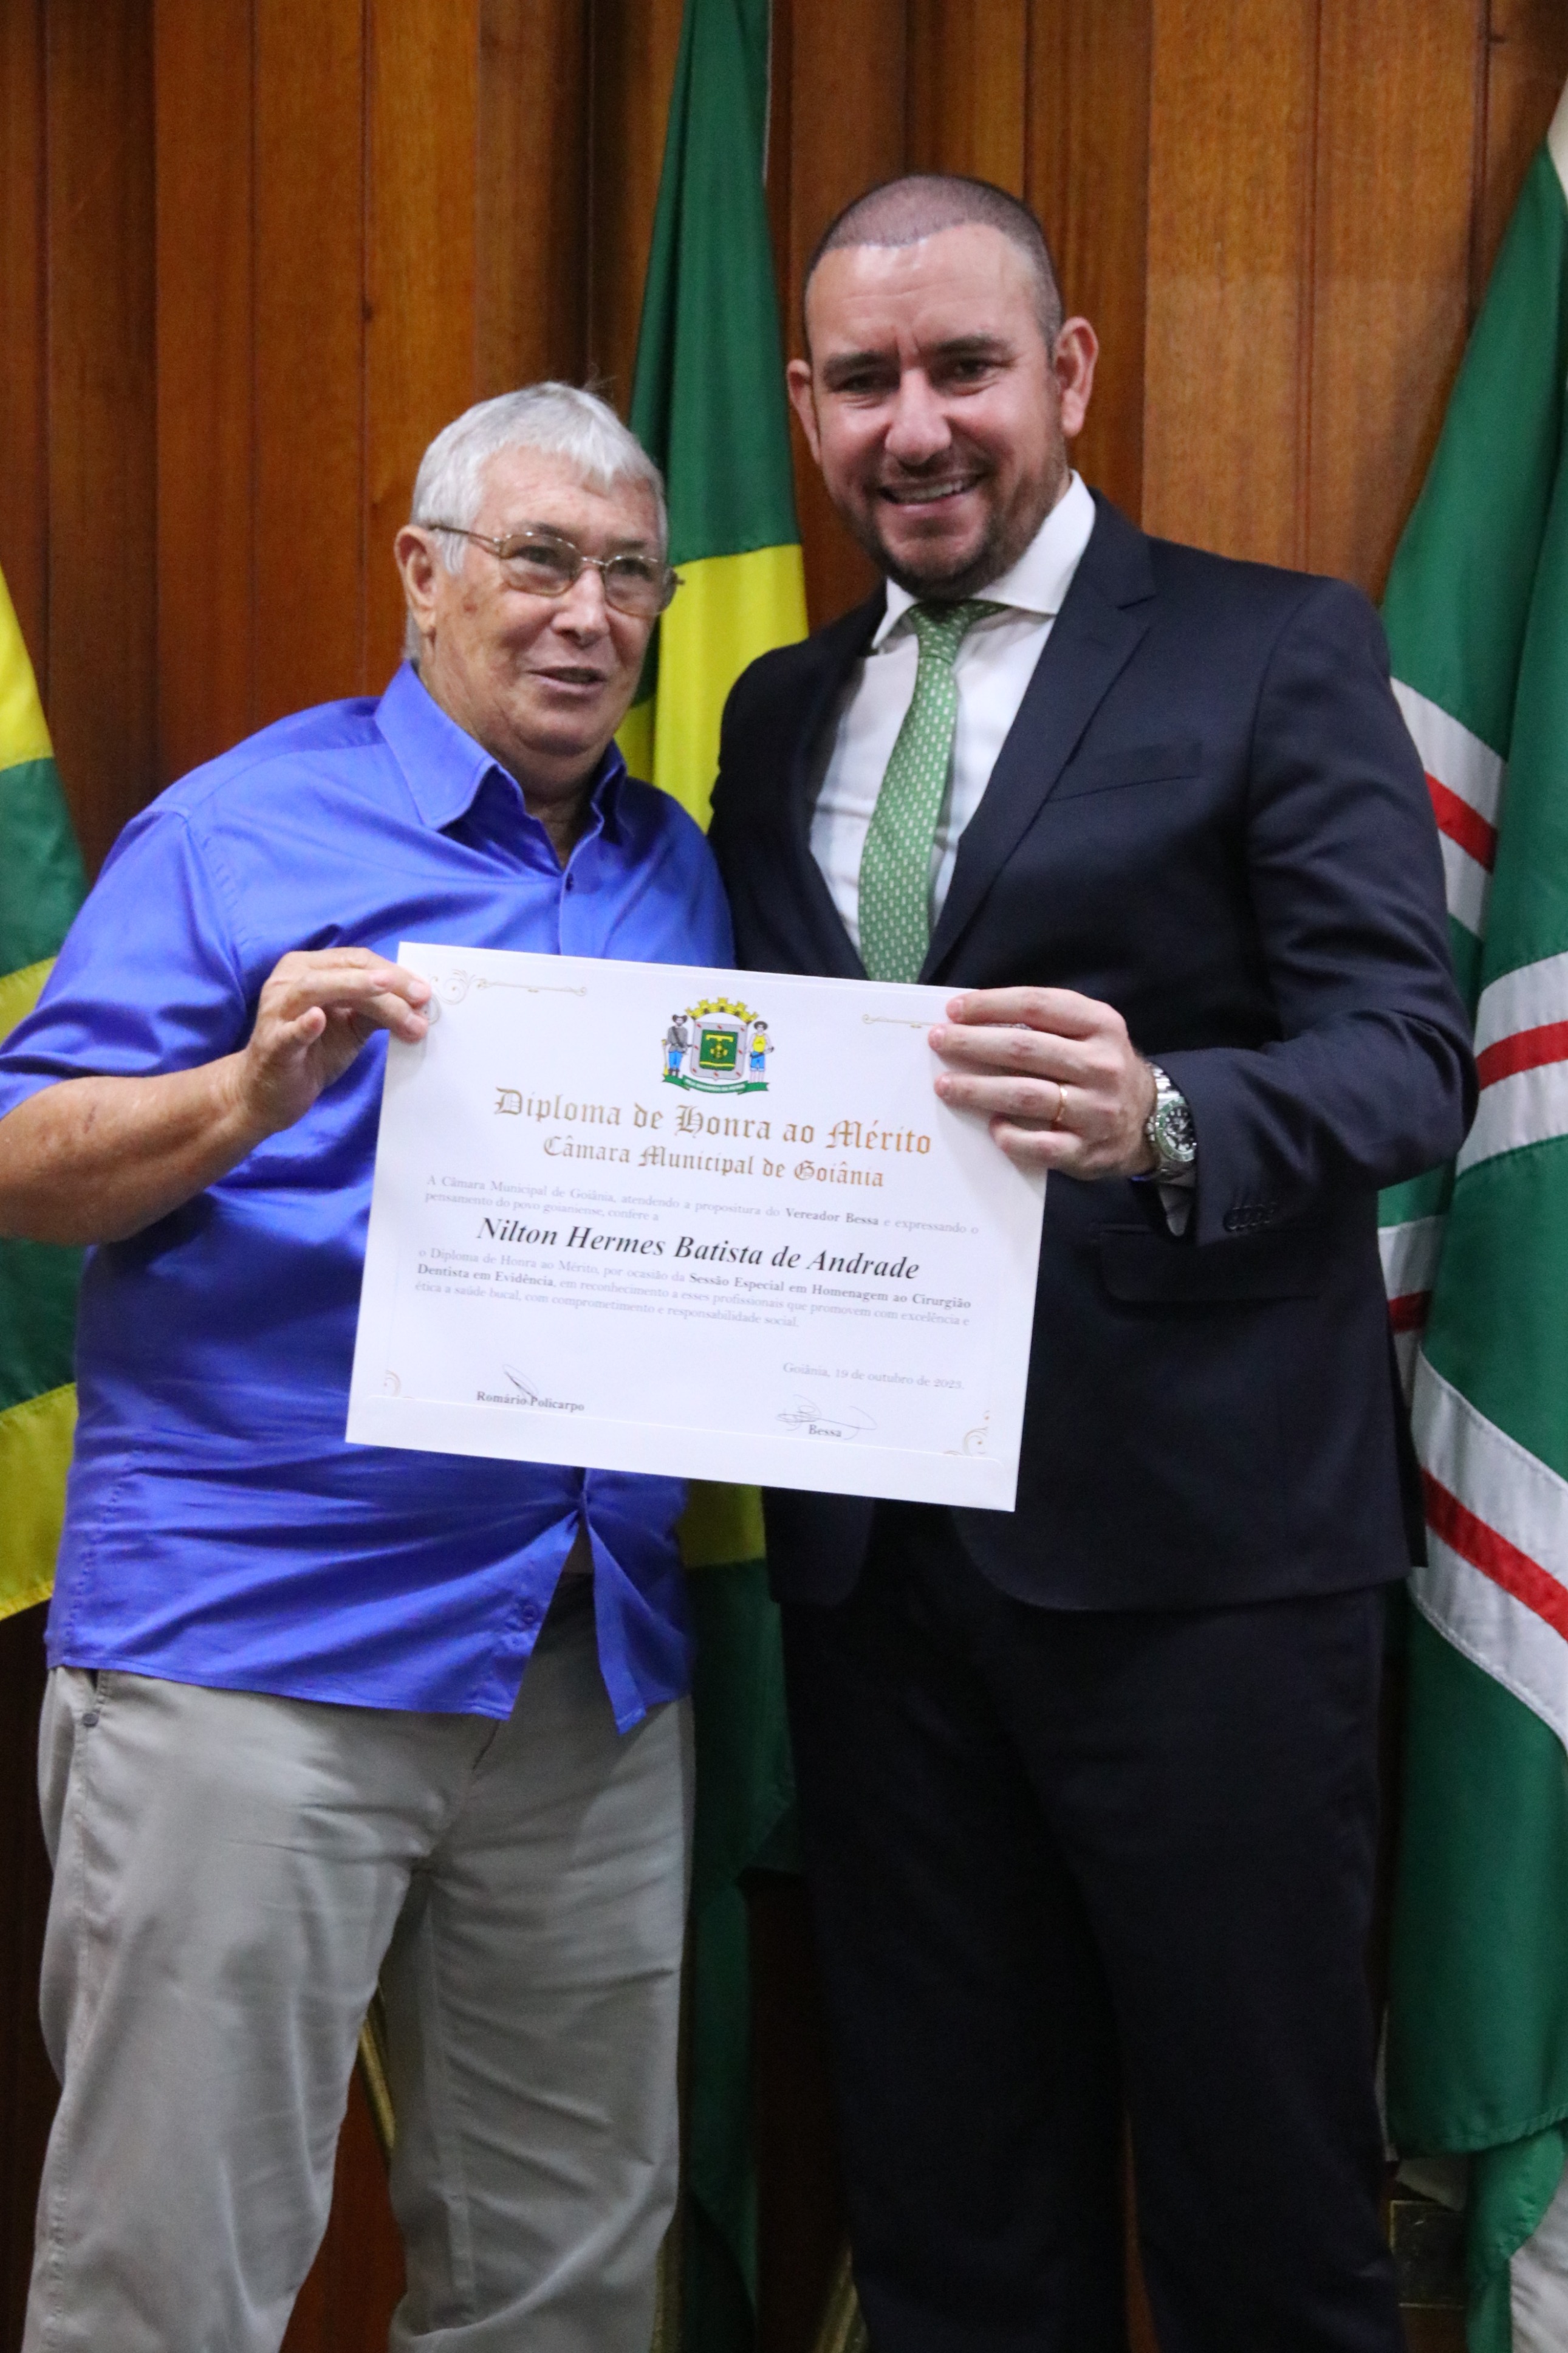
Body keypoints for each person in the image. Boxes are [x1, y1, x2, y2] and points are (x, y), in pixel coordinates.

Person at [707, 174, 1475, 2353]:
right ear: (806, 407)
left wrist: (1168, 1117)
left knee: (1260, 2213)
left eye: (965, 368)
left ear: (1069, 372)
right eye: (864, 381)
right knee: (954, 2219)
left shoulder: (1272, 646)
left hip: (1202, 1574)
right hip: (877, 1576)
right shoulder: (771, 710)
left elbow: (1406, 1056)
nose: (916, 426)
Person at [0, 383, 728, 2353]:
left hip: (580, 1661)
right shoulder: (240, 829)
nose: (587, 613)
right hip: (261, 1648)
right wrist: (243, 1095)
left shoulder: (679, 871)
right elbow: (22, 1161)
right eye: (539, 560)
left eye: (630, 576)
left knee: (571, 2281)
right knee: (170, 2278)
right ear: (424, 574)